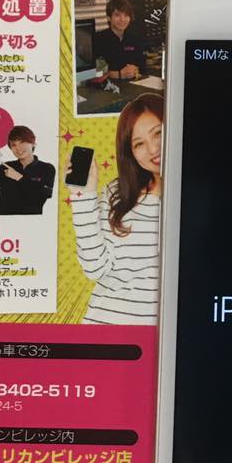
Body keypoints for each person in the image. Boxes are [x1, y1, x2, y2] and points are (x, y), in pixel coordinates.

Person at [67, 94, 162, 324]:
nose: (153, 149)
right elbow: (95, 269)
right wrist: (83, 195)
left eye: (158, 133)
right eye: (139, 144)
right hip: (106, 328)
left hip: (167, 337)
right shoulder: (118, 193)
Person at [0, 125, 55, 215]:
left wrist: (19, 177)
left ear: (33, 143)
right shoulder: (6, 167)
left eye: (22, 142)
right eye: (13, 145)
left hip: (32, 221)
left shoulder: (47, 168)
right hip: (6, 222)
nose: (18, 148)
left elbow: (45, 194)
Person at [92, 0, 147, 82]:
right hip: (108, 86)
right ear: (109, 18)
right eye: (117, 15)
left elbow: (143, 67)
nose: (122, 19)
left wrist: (135, 70)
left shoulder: (136, 39)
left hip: (133, 84)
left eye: (126, 15)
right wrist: (118, 74)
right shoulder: (98, 39)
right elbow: (95, 73)